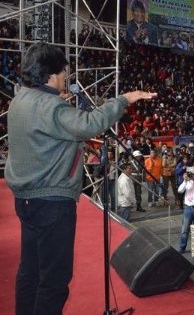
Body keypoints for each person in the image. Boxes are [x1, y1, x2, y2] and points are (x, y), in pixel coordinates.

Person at [6, 43, 155, 315]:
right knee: (54, 279)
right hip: (52, 201)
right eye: (64, 72)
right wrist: (122, 100)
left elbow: (45, 120)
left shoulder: (20, 99)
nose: (66, 77)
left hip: (26, 200)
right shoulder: (51, 108)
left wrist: (56, 106)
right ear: (51, 74)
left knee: (30, 271)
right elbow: (90, 124)